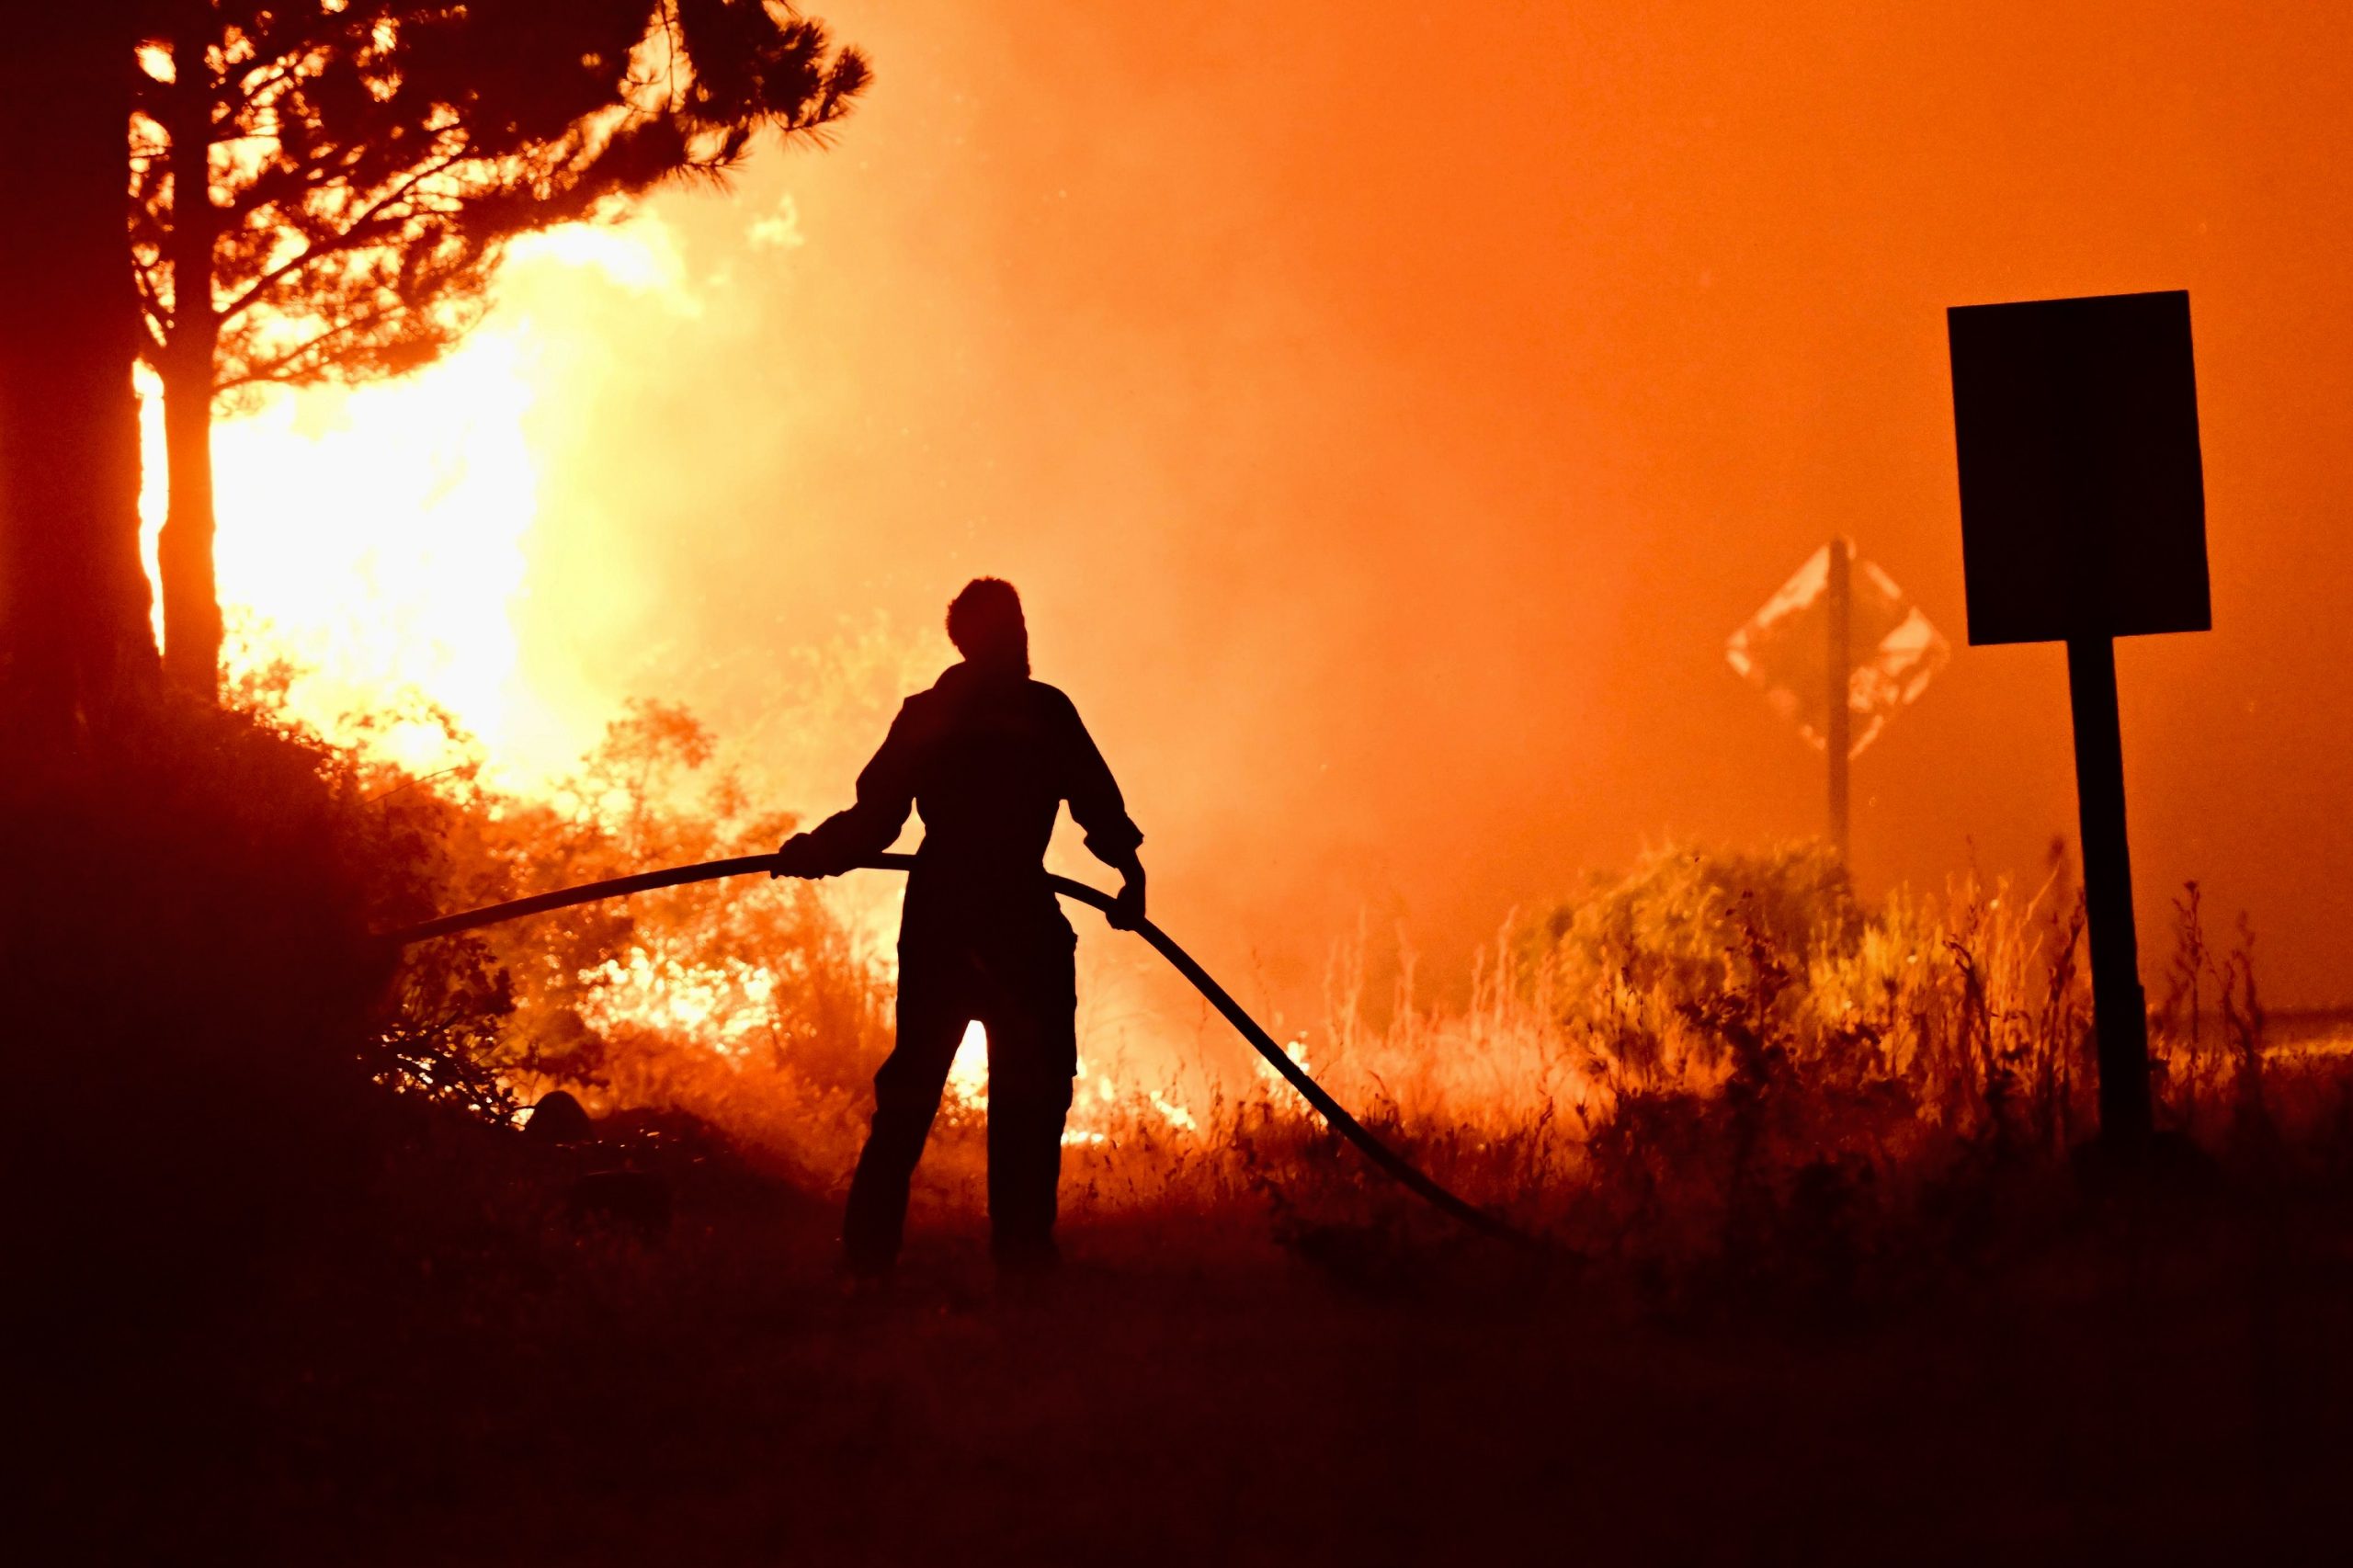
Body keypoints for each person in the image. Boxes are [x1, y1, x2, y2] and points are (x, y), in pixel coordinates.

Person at [773, 578, 1145, 1278]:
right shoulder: (1044, 711)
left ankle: (872, 1264)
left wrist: (816, 852)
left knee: (914, 1097)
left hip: (943, 921)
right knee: (1025, 1101)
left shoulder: (935, 713)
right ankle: (1019, 1262)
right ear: (992, 639)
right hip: (1019, 925)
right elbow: (1098, 807)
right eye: (1013, 628)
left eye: (1020, 625)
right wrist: (1131, 876)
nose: (1022, 640)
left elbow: (875, 820)